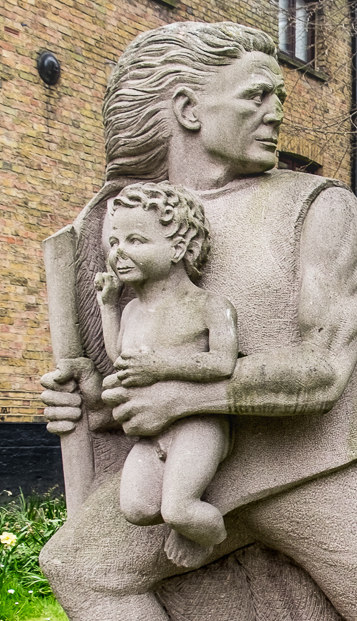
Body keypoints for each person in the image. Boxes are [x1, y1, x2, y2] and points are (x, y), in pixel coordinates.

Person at [38, 22, 357, 621]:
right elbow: (131, 377)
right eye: (256, 95)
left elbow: (325, 372)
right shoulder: (126, 222)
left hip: (317, 464)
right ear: (188, 109)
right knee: (81, 567)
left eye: (279, 97)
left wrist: (189, 392)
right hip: (185, 468)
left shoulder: (319, 210)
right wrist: (90, 402)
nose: (276, 112)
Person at [96, 181, 237, 568]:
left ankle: (220, 533)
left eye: (136, 240)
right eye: (114, 242)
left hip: (197, 425)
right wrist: (108, 308)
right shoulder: (131, 311)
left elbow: (223, 364)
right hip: (151, 435)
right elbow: (120, 358)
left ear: (177, 248)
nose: (118, 253)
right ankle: (194, 517)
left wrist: (160, 366)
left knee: (178, 510)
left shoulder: (209, 305)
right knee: (138, 508)